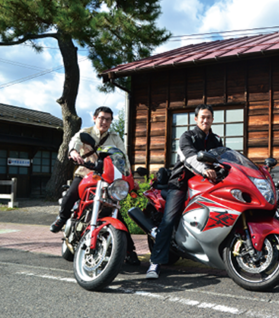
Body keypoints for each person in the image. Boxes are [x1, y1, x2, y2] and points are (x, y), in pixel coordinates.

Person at [50, 106, 140, 265]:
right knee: (71, 194)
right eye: (101, 118)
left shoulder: (115, 137)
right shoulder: (86, 132)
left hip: (107, 177)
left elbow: (123, 157)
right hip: (87, 173)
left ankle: (128, 250)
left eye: (108, 119)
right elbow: (75, 141)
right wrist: (73, 152)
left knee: (114, 210)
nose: (104, 122)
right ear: (94, 118)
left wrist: (130, 178)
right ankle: (62, 218)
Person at [146, 104, 223, 279]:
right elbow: (189, 156)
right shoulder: (187, 136)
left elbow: (223, 159)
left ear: (212, 119)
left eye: (208, 117)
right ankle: (155, 263)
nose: (205, 120)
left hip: (205, 183)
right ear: (196, 119)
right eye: (202, 117)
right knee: (169, 219)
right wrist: (204, 169)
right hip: (181, 183)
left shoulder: (216, 140)